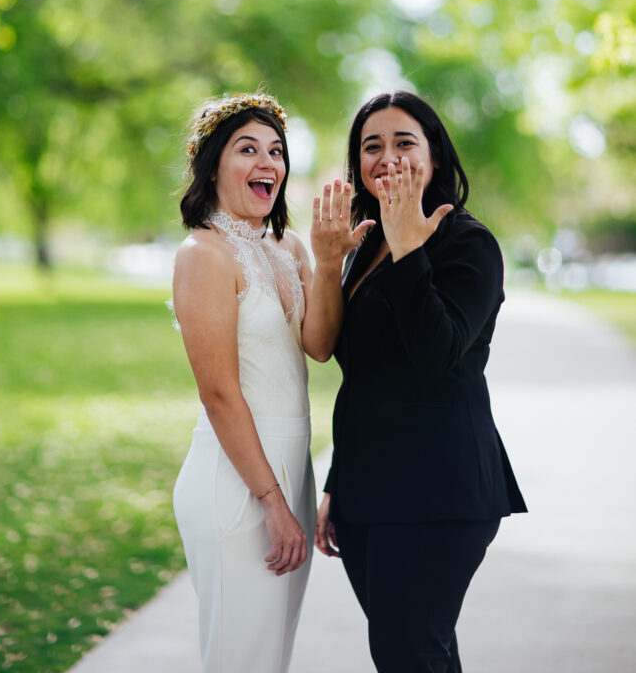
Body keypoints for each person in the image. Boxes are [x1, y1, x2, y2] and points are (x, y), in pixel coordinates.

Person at [313, 90, 527, 673]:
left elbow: (438, 354)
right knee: (420, 653)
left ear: (435, 155)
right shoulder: (368, 242)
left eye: (404, 142)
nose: (388, 157)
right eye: (370, 146)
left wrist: (412, 246)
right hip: (367, 492)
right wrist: (338, 481)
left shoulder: (468, 242)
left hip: (440, 490)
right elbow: (357, 373)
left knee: (407, 653)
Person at [170, 92, 370, 673]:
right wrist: (271, 502)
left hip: (292, 472)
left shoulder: (288, 247)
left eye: (277, 151)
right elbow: (219, 395)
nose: (269, 163)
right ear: (212, 166)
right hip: (238, 481)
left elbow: (320, 344)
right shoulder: (203, 253)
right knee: (240, 659)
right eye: (248, 149)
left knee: (269, 659)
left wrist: (329, 263)